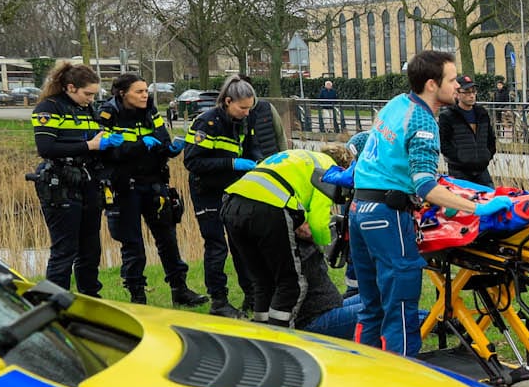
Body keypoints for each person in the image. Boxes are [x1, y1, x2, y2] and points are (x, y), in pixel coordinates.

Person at [350, 50, 510, 356]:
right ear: (432, 84)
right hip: (387, 216)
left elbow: (368, 142)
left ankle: (364, 379)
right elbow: (425, 185)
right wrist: (477, 208)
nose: (457, 86)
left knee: (371, 307)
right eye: (451, 80)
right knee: (400, 307)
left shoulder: (398, 103)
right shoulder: (424, 122)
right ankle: (405, 385)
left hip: (360, 210)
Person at [100, 73, 207, 307]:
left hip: (153, 183)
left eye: (145, 90)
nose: (144, 95)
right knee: (133, 245)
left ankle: (180, 289)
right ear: (122, 93)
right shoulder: (108, 113)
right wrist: (139, 145)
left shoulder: (150, 110)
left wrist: (172, 149)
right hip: (124, 187)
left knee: (167, 238)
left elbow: (161, 140)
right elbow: (106, 152)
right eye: (138, 91)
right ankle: (138, 297)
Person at [220, 148, 345, 326]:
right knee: (290, 283)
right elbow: (318, 223)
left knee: (263, 282)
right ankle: (281, 339)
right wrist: (328, 247)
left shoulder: (299, 156)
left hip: (232, 204)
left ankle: (262, 335)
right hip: (268, 207)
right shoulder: (330, 170)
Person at [29, 61, 117, 295]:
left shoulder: (86, 109)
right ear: (70, 87)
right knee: (65, 249)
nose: (91, 99)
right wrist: (90, 145)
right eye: (87, 93)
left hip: (87, 182)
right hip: (60, 185)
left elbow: (88, 140)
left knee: (91, 249)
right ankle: (54, 301)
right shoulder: (49, 108)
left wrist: (106, 141)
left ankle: (90, 299)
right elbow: (46, 148)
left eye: (94, 94)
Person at [183, 76, 264, 318]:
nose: (246, 112)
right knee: (217, 246)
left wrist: (259, 162)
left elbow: (252, 146)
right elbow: (192, 161)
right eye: (242, 108)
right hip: (207, 192)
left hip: (234, 190)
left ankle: (252, 295)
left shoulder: (244, 120)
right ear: (227, 101)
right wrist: (232, 163)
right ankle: (219, 301)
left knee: (242, 245)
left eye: (249, 107)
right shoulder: (205, 124)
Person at [439, 74, 498, 186]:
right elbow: (443, 143)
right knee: (462, 202)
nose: (471, 96)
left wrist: (486, 155)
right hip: (459, 171)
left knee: (490, 199)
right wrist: (459, 158)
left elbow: (491, 138)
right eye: (466, 92)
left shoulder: (482, 113)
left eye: (473, 92)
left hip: (481, 170)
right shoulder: (448, 116)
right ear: (457, 94)